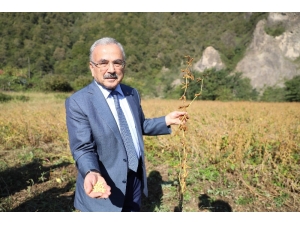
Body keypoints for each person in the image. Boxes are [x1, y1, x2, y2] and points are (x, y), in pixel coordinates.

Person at [65, 37, 188, 212]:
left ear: (124, 66)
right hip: (105, 181)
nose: (111, 70)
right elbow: (83, 148)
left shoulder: (132, 94)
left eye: (117, 63)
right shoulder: (79, 102)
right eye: (103, 63)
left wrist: (166, 120)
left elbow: (138, 126)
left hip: (135, 178)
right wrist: (91, 171)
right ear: (92, 68)